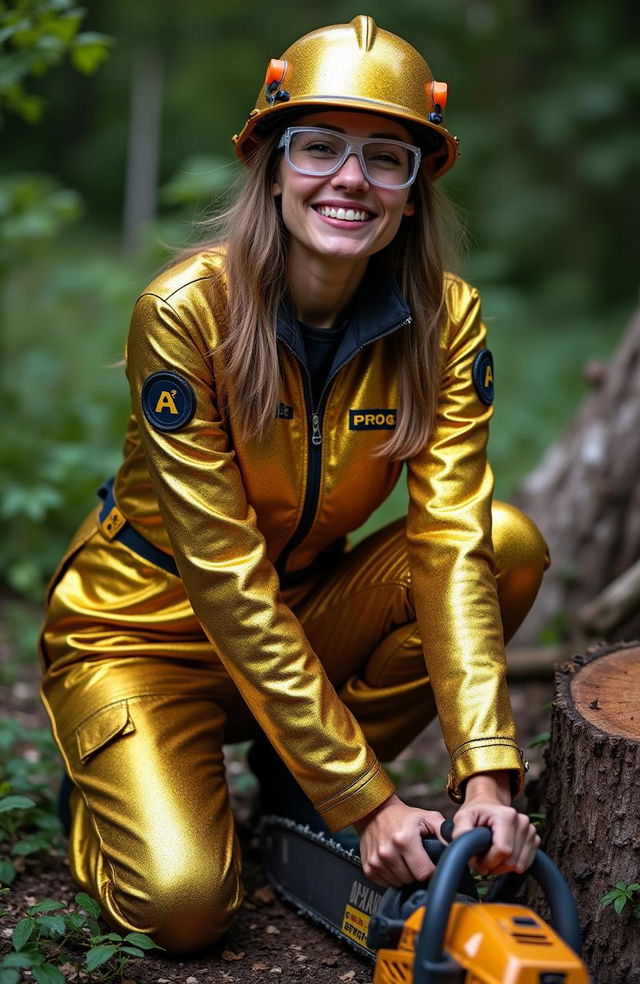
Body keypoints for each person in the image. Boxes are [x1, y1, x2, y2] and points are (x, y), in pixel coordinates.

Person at [40, 15, 549, 956]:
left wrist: (488, 774)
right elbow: (225, 579)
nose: (350, 180)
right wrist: (365, 800)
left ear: (413, 190)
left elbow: (448, 548)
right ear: (273, 164)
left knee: (504, 544)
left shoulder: (447, 322)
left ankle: (291, 773)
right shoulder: (186, 313)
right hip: (147, 636)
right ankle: (110, 781)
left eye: (385, 158)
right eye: (319, 148)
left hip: (307, 611)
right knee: (185, 905)